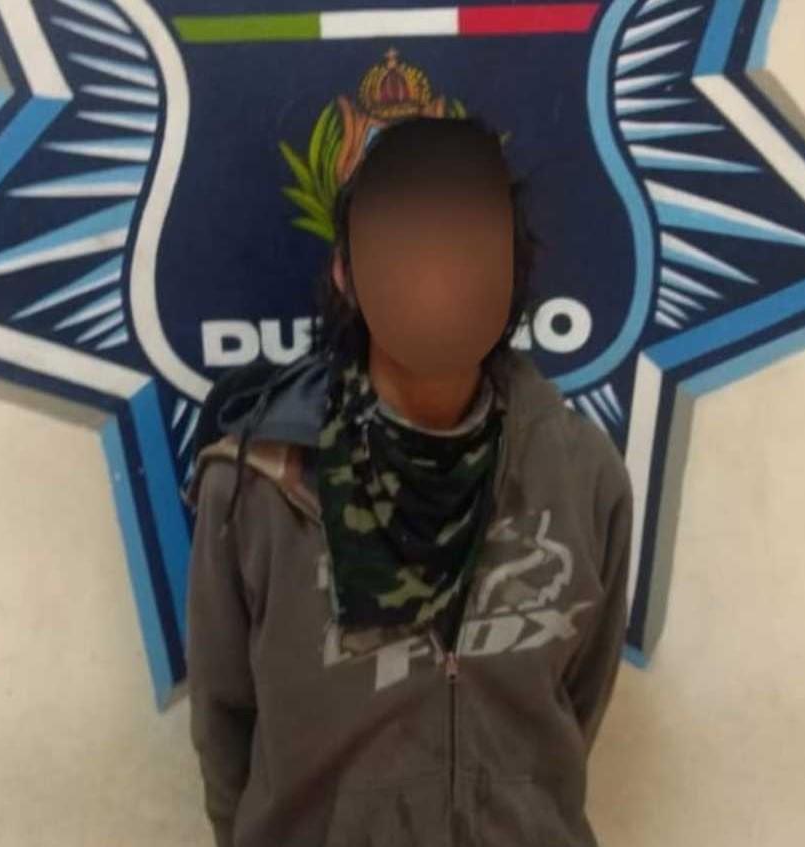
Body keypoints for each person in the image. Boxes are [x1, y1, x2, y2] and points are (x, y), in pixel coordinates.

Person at [184, 116, 633, 847]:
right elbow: (224, 721)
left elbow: (579, 702)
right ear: (346, 273)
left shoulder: (582, 474)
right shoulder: (256, 484)